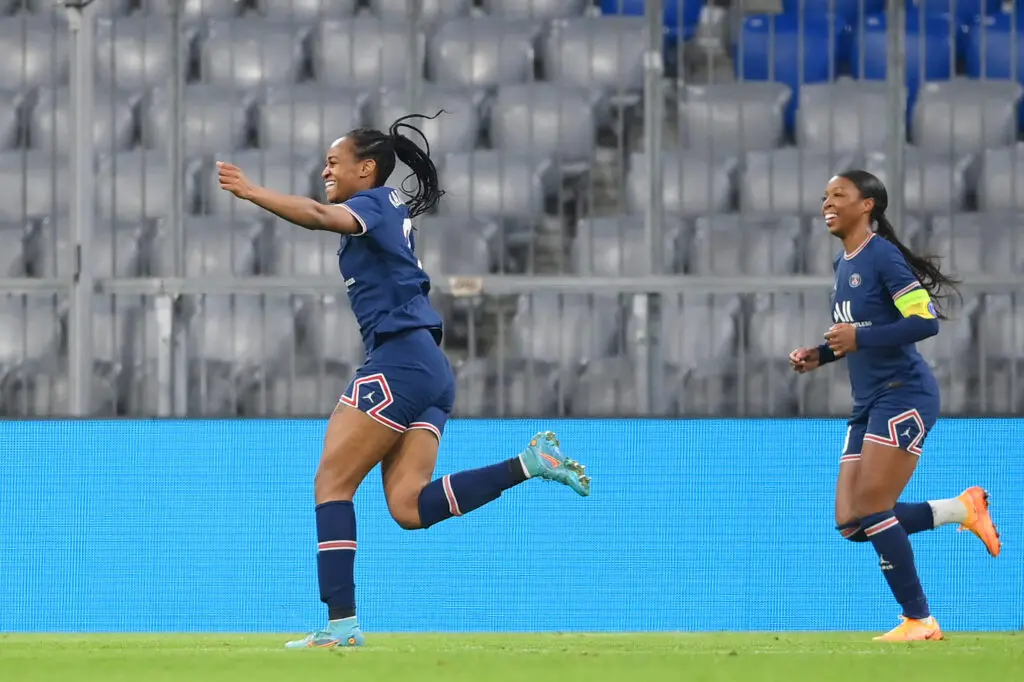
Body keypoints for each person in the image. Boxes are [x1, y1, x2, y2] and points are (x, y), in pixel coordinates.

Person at [216, 112, 591, 649]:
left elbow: (321, 215)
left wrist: (253, 192)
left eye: (333, 161)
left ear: (365, 169)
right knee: (409, 507)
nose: (325, 170)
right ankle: (528, 464)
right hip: (429, 369)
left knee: (332, 484)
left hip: (400, 362)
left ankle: (341, 626)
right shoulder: (386, 206)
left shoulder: (369, 204)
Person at [789, 170, 1001, 642]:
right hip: (868, 403)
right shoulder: (844, 265)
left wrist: (858, 337)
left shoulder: (880, 256)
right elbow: (855, 337)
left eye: (838, 195)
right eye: (824, 196)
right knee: (851, 522)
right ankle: (962, 510)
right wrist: (818, 355)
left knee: (873, 505)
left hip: (904, 394)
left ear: (867, 205)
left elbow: (924, 321)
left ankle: (920, 621)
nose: (827, 203)